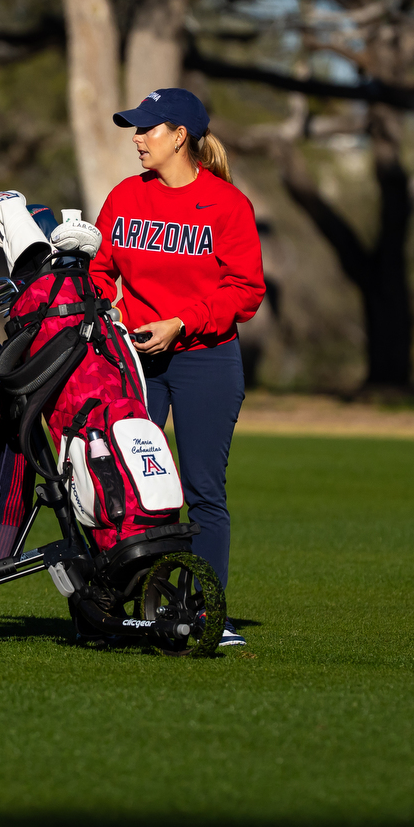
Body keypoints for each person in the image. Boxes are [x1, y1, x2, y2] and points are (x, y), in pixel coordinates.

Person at [89, 88, 265, 647]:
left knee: (202, 490)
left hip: (204, 361)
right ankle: (131, 607)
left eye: (147, 129)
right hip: (135, 361)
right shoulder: (124, 197)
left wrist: (181, 322)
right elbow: (98, 269)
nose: (137, 139)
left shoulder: (227, 206)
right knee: (134, 489)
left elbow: (246, 292)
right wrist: (107, 307)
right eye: (134, 129)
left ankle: (207, 612)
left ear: (179, 136)